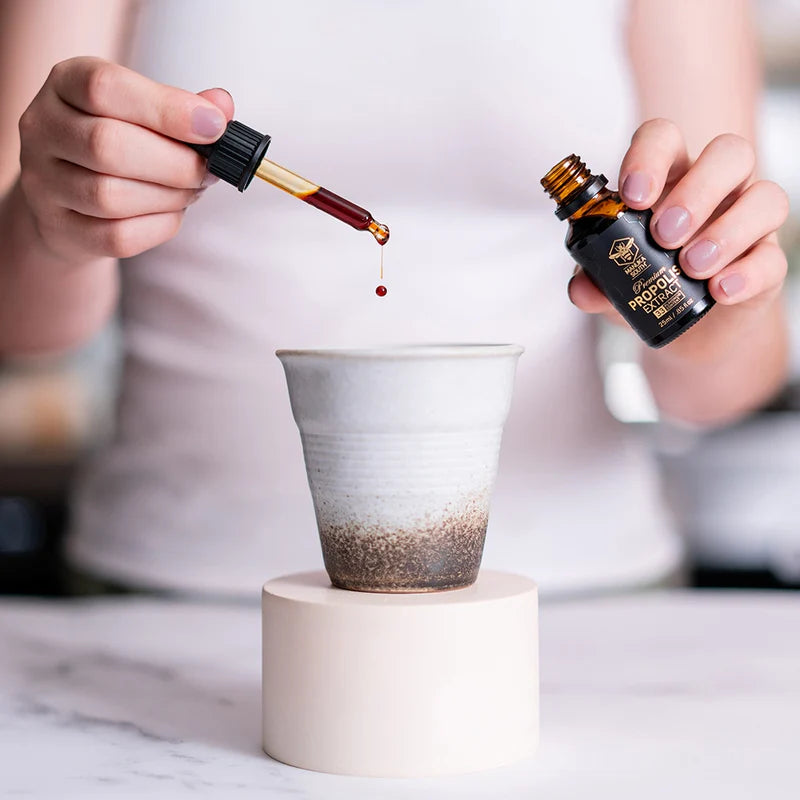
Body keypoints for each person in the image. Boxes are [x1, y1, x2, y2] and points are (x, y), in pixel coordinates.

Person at [0, 0, 790, 595]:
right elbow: (24, 326)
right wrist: (53, 215)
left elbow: (721, 383)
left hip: (566, 594)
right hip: (175, 586)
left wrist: (722, 293)